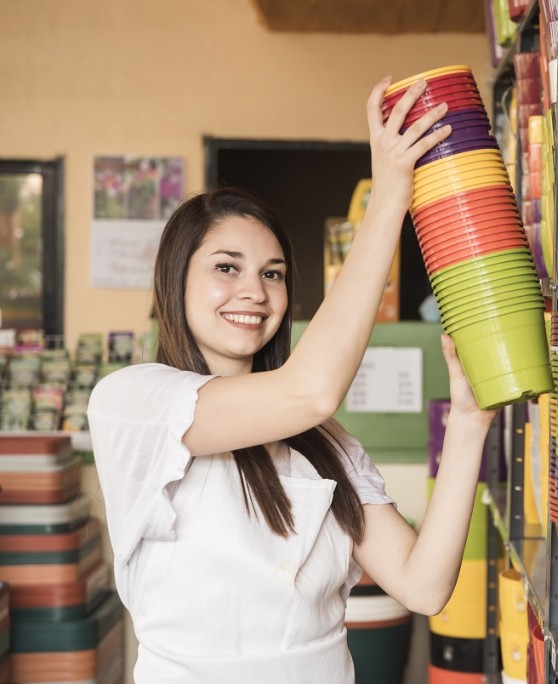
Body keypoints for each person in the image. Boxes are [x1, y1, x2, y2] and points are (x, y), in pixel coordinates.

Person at [87, 76, 498, 683]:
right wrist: (389, 200)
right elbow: (307, 389)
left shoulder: (321, 439)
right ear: (176, 281)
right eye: (227, 268)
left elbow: (423, 585)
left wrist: (469, 423)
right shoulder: (132, 403)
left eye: (273, 274)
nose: (254, 291)